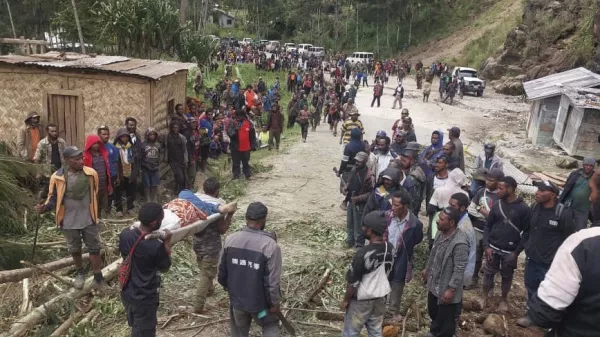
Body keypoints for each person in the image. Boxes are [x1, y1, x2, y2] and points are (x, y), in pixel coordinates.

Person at [34, 146, 105, 289]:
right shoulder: (57, 177)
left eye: (81, 158)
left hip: (88, 217)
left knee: (94, 248)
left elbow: (95, 192)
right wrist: (45, 208)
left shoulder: (91, 174)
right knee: (75, 248)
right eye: (76, 159)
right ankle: (80, 272)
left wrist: (95, 211)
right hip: (68, 220)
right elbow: (53, 198)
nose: (81, 161)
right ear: (67, 160)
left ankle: (98, 277)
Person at [517, 180, 576, 327]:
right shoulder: (535, 207)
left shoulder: (563, 213)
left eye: (542, 190)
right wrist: (523, 248)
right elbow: (528, 230)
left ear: (553, 195)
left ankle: (548, 321)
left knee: (549, 292)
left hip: (550, 263)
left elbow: (569, 239)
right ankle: (531, 314)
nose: (538, 192)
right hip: (532, 258)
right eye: (538, 189)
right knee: (531, 286)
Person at [218, 202, 282, 337]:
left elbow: (221, 274)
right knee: (270, 324)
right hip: (261, 310)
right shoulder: (270, 246)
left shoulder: (230, 240)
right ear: (263, 220)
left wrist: (233, 291)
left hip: (238, 306)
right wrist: (274, 304)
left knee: (239, 330)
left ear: (246, 219)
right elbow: (272, 283)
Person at [526, 227, 600, 336]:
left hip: (573, 330)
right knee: (531, 285)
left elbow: (542, 315)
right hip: (534, 258)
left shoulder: (582, 243)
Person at [119, 203, 172, 337]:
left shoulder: (125, 235)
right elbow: (165, 267)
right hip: (144, 297)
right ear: (154, 223)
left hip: (127, 293)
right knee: (144, 331)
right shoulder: (155, 246)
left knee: (136, 324)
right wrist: (166, 243)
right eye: (161, 219)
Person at [479, 176, 531, 312]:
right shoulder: (497, 204)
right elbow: (488, 226)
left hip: (510, 251)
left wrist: (516, 253)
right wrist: (486, 246)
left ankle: (503, 299)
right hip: (493, 247)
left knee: (507, 276)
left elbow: (527, 233)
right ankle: (484, 296)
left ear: (511, 189)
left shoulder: (524, 209)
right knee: (488, 273)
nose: (497, 191)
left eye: (501, 189)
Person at [341, 210, 394, 337]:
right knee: (375, 331)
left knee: (351, 332)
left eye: (364, 226)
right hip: (380, 299)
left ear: (370, 230)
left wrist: (345, 300)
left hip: (362, 301)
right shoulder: (390, 248)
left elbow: (353, 284)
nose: (362, 228)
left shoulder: (363, 253)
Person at [421, 207, 469, 337]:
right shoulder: (440, 233)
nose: (437, 221)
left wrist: (451, 289)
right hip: (434, 284)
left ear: (451, 223)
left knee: (446, 320)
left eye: (441, 219)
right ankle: (434, 331)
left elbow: (459, 268)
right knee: (434, 312)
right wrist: (428, 268)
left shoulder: (460, 243)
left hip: (446, 287)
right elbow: (433, 254)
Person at [383, 190, 424, 325]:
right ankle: (379, 309)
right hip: (385, 256)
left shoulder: (415, 224)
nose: (392, 208)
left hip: (401, 258)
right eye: (392, 204)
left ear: (405, 206)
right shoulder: (387, 217)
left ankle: (393, 311)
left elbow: (417, 239)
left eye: (396, 205)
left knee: (397, 282)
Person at [466, 168, 504, 288]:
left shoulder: (501, 196)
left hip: (493, 232)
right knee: (476, 255)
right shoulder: (481, 192)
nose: (488, 182)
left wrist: (483, 212)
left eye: (491, 180)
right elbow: (471, 209)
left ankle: (488, 285)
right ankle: (473, 278)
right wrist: (487, 214)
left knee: (491, 258)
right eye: (487, 180)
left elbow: (501, 216)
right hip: (478, 228)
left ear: (499, 182)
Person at [344, 152, 375, 248]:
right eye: (356, 161)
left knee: (359, 225)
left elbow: (371, 194)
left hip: (361, 205)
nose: (357, 163)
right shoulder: (354, 169)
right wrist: (345, 188)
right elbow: (349, 181)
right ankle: (350, 240)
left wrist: (359, 198)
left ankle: (359, 244)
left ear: (365, 162)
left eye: (359, 162)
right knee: (350, 222)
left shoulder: (370, 176)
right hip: (351, 200)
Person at [448, 193, 477, 289]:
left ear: (462, 208)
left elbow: (461, 260)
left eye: (452, 206)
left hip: (458, 275)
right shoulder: (458, 221)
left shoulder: (464, 229)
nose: (449, 208)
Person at [559, 157, 596, 230]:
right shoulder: (575, 173)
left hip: (583, 209)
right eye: (586, 165)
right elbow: (567, 187)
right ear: (583, 165)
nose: (588, 167)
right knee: (564, 227)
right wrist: (561, 201)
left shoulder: (596, 178)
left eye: (591, 166)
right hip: (569, 206)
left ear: (593, 167)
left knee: (580, 230)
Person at [83, 134, 112, 218]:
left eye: (97, 143)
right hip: (93, 183)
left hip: (104, 181)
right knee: (95, 200)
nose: (96, 145)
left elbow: (107, 167)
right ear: (89, 144)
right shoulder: (86, 156)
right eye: (94, 143)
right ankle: (96, 216)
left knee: (105, 200)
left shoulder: (103, 154)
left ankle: (106, 214)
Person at [114, 128, 140, 217]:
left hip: (130, 172)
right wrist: (117, 175)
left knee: (131, 191)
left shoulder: (131, 148)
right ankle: (119, 209)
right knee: (118, 192)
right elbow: (115, 162)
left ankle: (130, 208)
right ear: (118, 138)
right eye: (122, 137)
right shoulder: (116, 148)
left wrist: (135, 173)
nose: (124, 139)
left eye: (126, 137)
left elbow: (136, 161)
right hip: (120, 173)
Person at [97, 126, 121, 215]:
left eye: (107, 134)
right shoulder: (96, 147)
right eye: (104, 134)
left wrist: (118, 176)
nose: (106, 136)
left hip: (112, 174)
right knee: (100, 194)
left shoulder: (112, 148)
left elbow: (116, 162)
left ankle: (108, 211)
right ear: (99, 135)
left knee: (110, 193)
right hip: (100, 175)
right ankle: (98, 212)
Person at [228, 110, 256, 180]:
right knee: (236, 162)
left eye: (240, 116)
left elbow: (252, 135)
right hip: (235, 147)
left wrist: (253, 145)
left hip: (246, 147)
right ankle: (236, 176)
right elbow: (230, 134)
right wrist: (236, 130)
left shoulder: (249, 123)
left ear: (243, 116)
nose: (238, 117)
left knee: (246, 161)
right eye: (237, 116)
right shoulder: (232, 123)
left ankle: (247, 174)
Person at [164, 121, 188, 193]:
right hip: (172, 160)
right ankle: (179, 190)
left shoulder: (182, 137)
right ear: (171, 128)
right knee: (180, 177)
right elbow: (165, 147)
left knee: (181, 175)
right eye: (174, 128)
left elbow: (184, 150)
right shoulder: (167, 136)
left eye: (177, 128)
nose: (175, 129)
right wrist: (165, 157)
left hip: (181, 159)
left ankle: (178, 190)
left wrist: (186, 160)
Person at [141, 128, 162, 203]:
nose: (152, 136)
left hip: (155, 167)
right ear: (147, 135)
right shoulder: (143, 145)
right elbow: (141, 156)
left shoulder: (158, 144)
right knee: (147, 184)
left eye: (153, 134)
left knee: (154, 184)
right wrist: (143, 165)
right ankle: (148, 199)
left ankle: (154, 198)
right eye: (150, 134)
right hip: (146, 167)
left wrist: (158, 163)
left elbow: (159, 155)